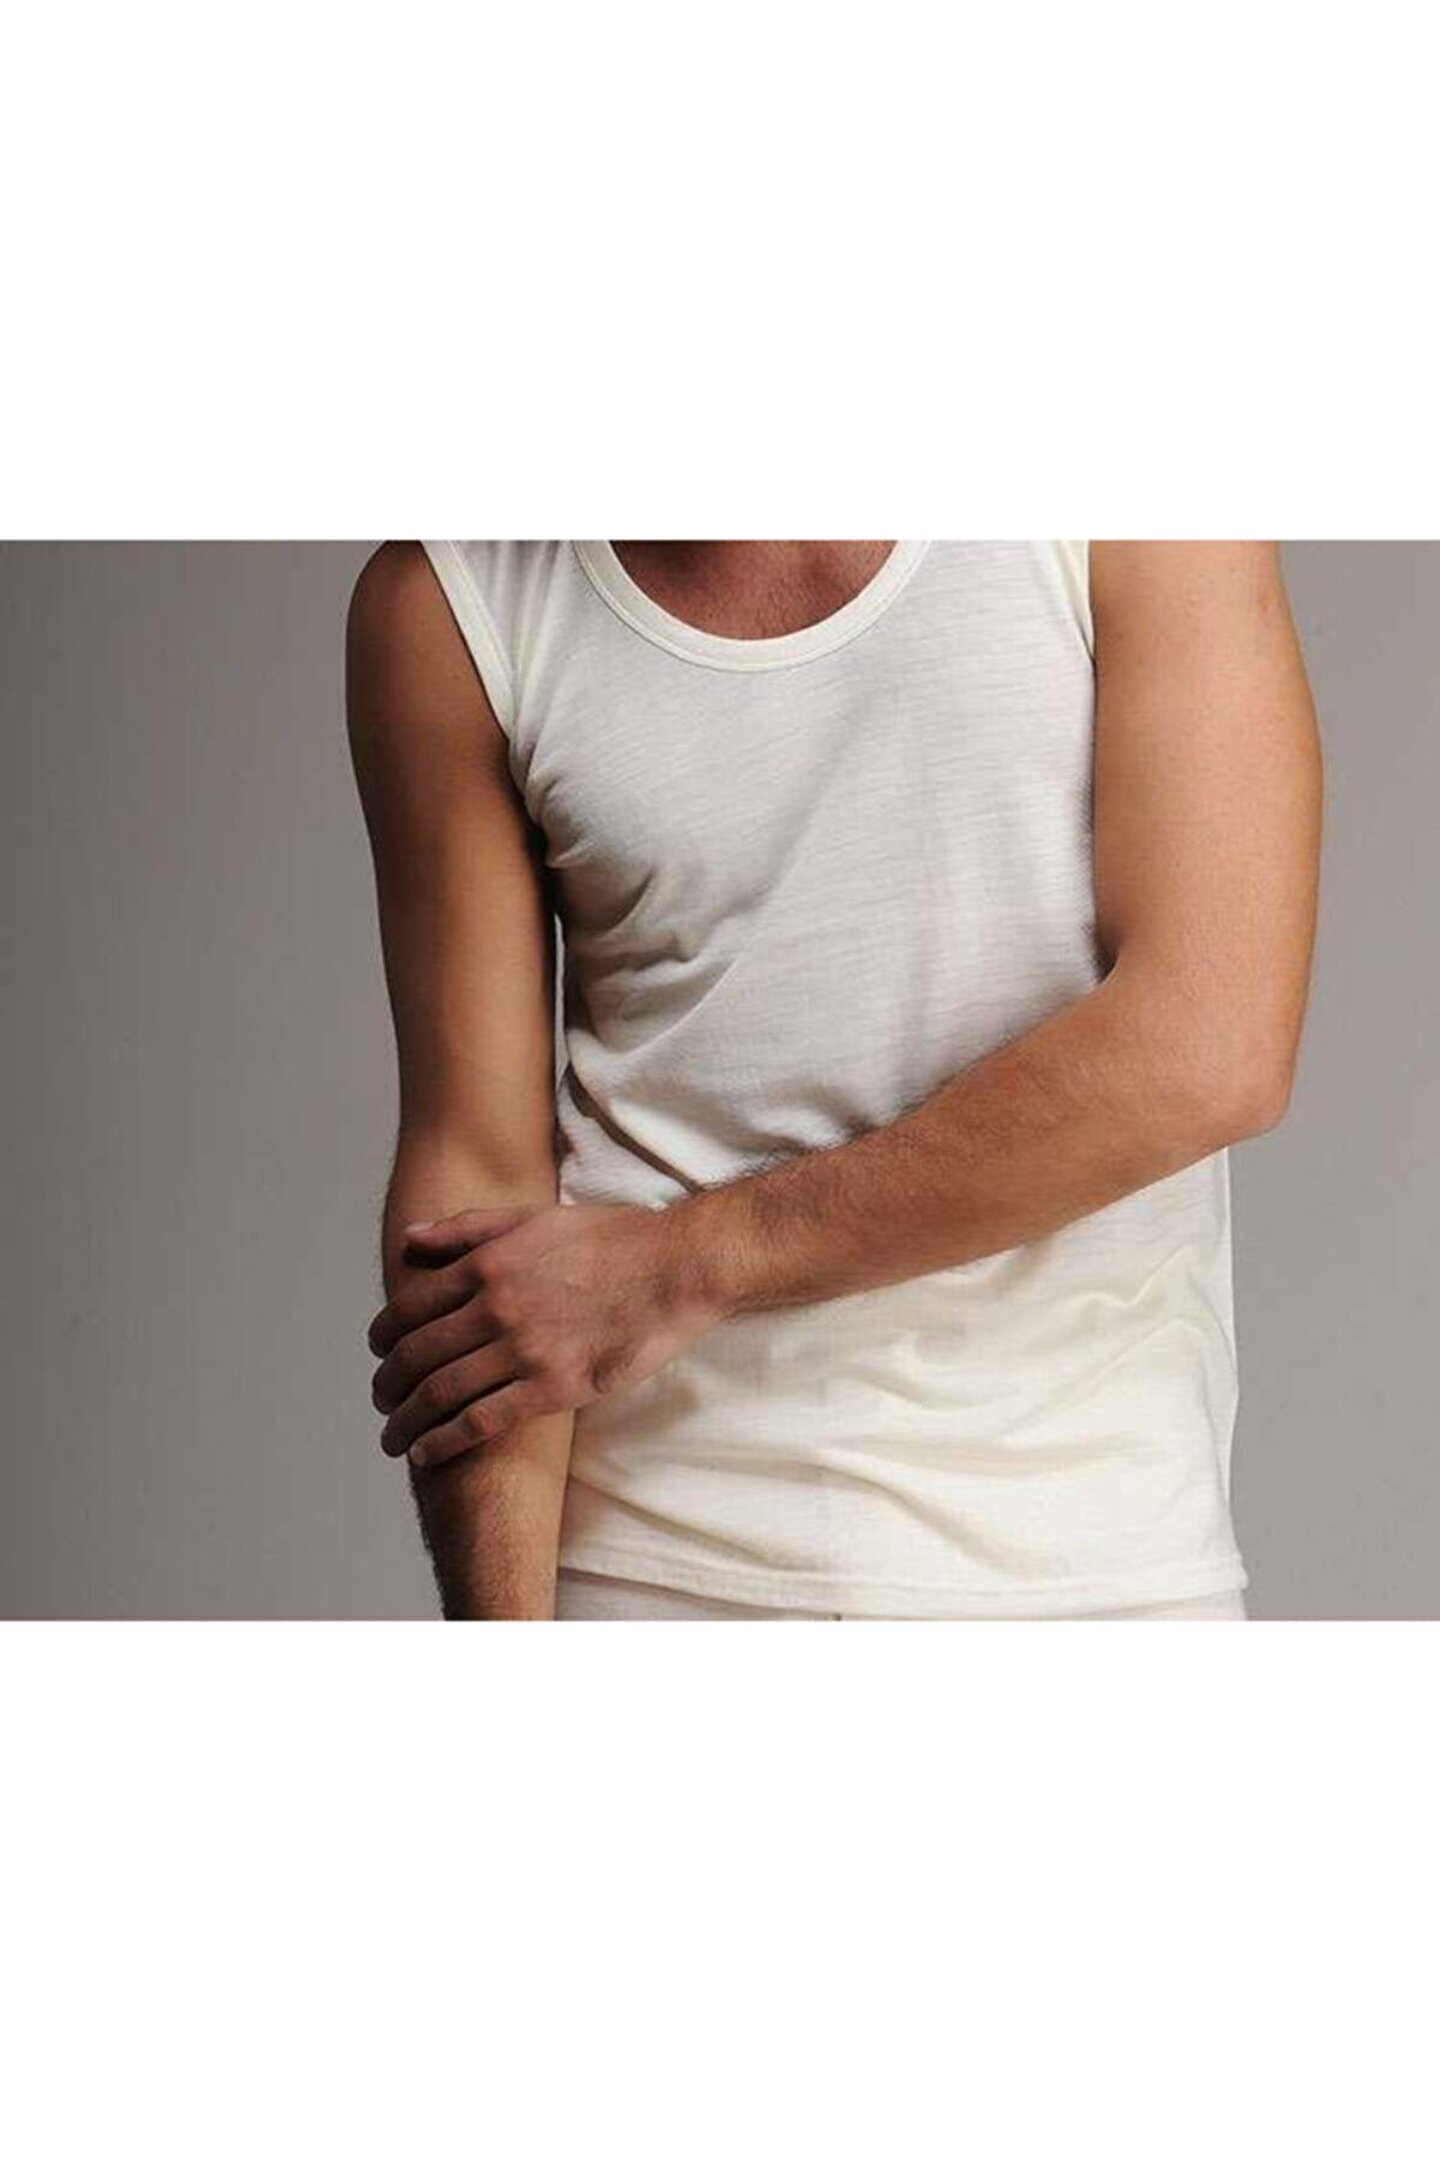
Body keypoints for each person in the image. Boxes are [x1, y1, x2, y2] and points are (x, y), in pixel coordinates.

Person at [346, 541, 1322, 1621]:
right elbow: (478, 1187)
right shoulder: (450, 607)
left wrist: (683, 1265)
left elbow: (1206, 1050)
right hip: (648, 1565)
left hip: (1092, 1557)